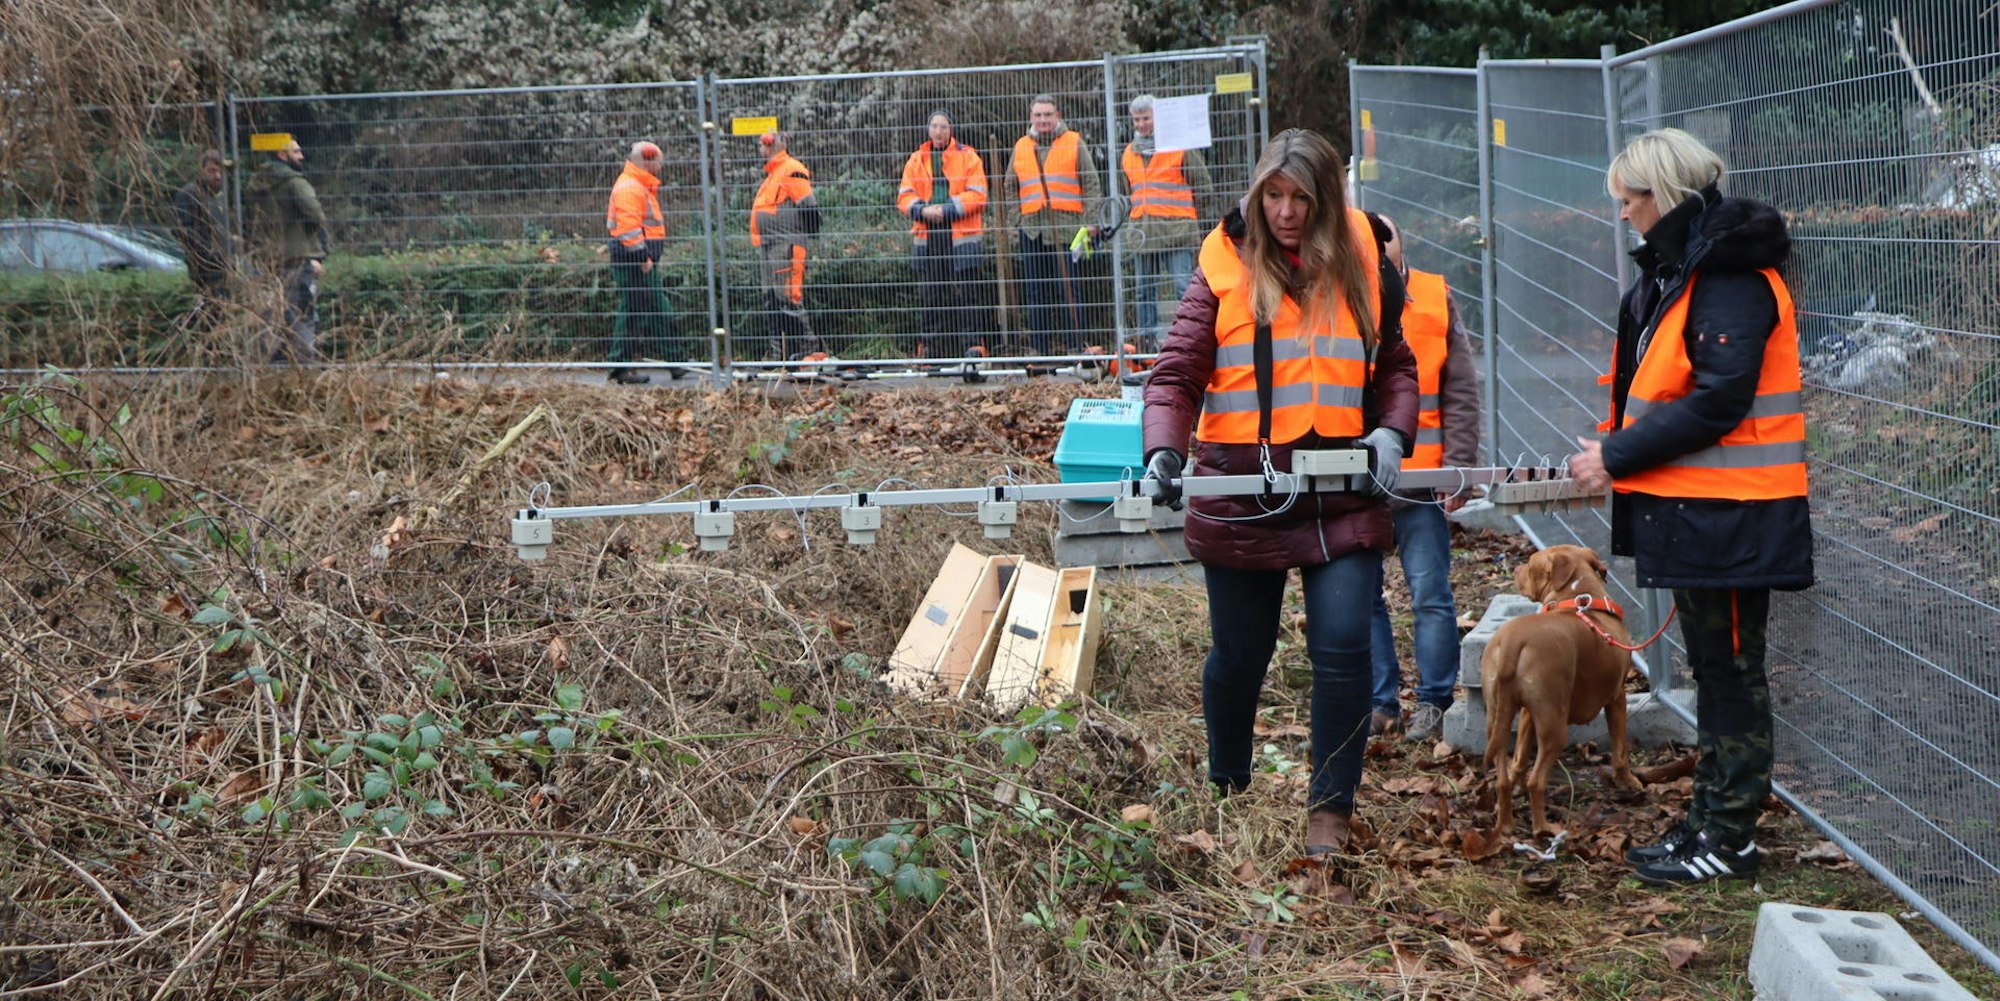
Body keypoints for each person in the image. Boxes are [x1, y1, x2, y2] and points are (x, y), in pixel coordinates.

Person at [1141, 128, 1415, 856]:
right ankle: (1228, 783)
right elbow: (1176, 372)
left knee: (1343, 644)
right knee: (1240, 654)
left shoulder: (1363, 254)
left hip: (1344, 489)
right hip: (1243, 488)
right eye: (1275, 195)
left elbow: (1395, 364)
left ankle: (1330, 811)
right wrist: (1163, 448)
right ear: (1258, 192)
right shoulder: (1222, 263)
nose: (1287, 212)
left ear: (1327, 200)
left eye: (1302, 198)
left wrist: (1391, 431)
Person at [1566, 127, 1812, 886]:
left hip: (1733, 514)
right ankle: (1710, 820)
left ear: (1666, 195)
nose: (1623, 214)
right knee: (1717, 669)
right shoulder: (1688, 273)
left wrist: (1616, 454)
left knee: (1733, 674)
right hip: (1706, 510)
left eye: (1631, 198)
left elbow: (1718, 397)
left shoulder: (1727, 276)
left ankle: (1730, 836)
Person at [1367, 214, 1482, 743]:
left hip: (1420, 478)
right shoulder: (1342, 295)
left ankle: (1433, 701)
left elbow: (1459, 386)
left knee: (1430, 593)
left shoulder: (1435, 298)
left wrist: (1457, 467)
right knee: (1362, 596)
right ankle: (1380, 703)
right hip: (1359, 481)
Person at [1003, 94, 1101, 356]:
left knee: (1068, 289)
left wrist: (1088, 222)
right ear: (1031, 117)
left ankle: (1074, 347)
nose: (1043, 119)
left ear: (1057, 115)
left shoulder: (1074, 141)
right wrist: (1018, 219)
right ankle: (1040, 350)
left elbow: (1091, 183)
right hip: (1033, 230)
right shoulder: (1021, 146)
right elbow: (1009, 187)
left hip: (1067, 230)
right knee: (1036, 291)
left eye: (1048, 114)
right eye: (1038, 115)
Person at [1120, 94, 1210, 349]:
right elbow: (1131, 192)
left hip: (1177, 231)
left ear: (1157, 117)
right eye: (1137, 119)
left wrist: (1187, 216)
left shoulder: (1179, 147)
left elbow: (1203, 187)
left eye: (1146, 118)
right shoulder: (1128, 153)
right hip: (1143, 233)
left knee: (1184, 287)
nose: (1141, 124)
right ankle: (1147, 345)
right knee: (1143, 291)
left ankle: (1189, 340)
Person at [897, 109, 988, 360]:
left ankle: (973, 347)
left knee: (967, 292)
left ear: (951, 130)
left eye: (944, 127)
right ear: (928, 129)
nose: (939, 131)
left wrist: (947, 209)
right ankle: (931, 350)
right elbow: (904, 195)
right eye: (935, 126)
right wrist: (923, 210)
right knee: (931, 293)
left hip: (961, 234)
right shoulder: (916, 159)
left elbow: (978, 193)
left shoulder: (969, 157)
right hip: (928, 234)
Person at [245, 137, 327, 361]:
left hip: (266, 261)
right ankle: (304, 370)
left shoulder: (253, 184)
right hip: (297, 260)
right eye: (296, 152)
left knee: (271, 319)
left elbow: (247, 223)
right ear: (282, 155)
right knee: (302, 315)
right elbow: (315, 214)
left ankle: (272, 370)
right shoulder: (295, 182)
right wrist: (312, 247)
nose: (301, 156)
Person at [603, 140, 677, 384]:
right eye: (659, 160)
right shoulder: (631, 187)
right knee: (633, 312)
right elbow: (628, 230)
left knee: (658, 309)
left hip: (642, 261)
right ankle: (619, 368)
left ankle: (677, 362)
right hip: (635, 263)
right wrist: (642, 257)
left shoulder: (638, 186)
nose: (662, 165)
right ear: (649, 159)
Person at [750, 131, 820, 360]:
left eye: (766, 142)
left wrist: (802, 239)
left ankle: (806, 353)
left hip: (786, 245)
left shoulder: (791, 169)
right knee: (773, 300)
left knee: (789, 298)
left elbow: (809, 206)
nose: (762, 146)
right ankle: (781, 356)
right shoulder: (773, 174)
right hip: (771, 245)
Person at [172, 149, 234, 331]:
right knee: (211, 315)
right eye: (212, 171)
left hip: (224, 265)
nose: (217, 176)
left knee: (223, 315)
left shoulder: (221, 198)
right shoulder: (189, 194)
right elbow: (182, 230)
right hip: (204, 268)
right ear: (201, 170)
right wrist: (209, 252)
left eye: (220, 171)